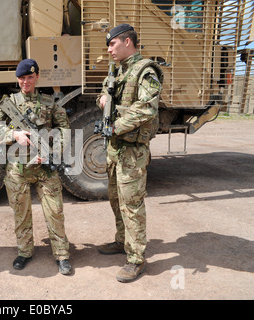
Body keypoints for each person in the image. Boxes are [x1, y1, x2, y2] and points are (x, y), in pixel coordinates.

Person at [0, 59, 72, 275]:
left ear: (37, 77)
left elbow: (64, 128)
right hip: (17, 169)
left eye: (30, 77)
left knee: (55, 212)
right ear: (17, 79)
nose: (26, 81)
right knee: (21, 214)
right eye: (22, 78)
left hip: (45, 169)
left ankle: (62, 254)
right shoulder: (9, 103)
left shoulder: (49, 102)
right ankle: (24, 252)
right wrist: (13, 134)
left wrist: (53, 152)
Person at [96, 24, 163, 282]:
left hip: (132, 151)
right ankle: (122, 241)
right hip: (115, 149)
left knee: (132, 205)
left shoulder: (145, 71)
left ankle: (136, 259)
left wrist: (115, 127)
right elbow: (105, 93)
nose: (109, 49)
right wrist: (102, 99)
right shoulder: (118, 70)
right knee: (116, 200)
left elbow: (147, 108)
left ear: (127, 41)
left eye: (112, 44)